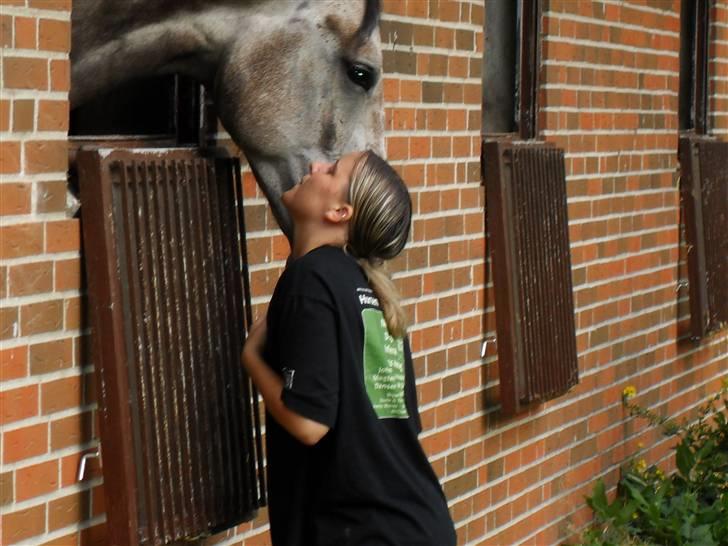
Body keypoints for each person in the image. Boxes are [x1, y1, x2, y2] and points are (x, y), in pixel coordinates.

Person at [242, 150, 457, 546]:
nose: (314, 166)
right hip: (417, 525)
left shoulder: (311, 279)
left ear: (340, 211)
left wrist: (251, 358)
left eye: (332, 169)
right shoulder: (371, 289)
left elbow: (310, 424)